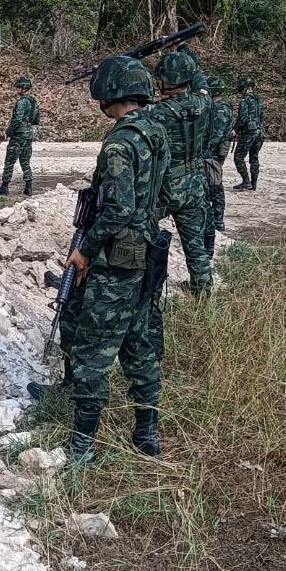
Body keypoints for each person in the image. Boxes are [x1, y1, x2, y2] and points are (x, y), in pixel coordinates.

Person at [58, 56, 171, 462]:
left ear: (110, 93)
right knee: (139, 341)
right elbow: (161, 196)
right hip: (148, 255)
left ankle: (83, 444)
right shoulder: (156, 133)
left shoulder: (121, 142)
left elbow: (118, 208)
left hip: (116, 260)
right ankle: (147, 432)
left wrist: (85, 249)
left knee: (94, 348)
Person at [147, 50, 213, 295]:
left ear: (165, 80)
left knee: (142, 234)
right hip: (195, 184)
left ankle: (147, 286)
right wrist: (191, 61)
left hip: (165, 187)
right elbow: (202, 85)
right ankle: (202, 288)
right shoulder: (203, 103)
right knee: (195, 244)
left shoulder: (157, 113)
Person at [203, 77, 234, 256]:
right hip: (211, 152)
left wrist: (203, 147)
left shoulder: (221, 110)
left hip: (213, 153)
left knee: (215, 185)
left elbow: (216, 134)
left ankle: (218, 219)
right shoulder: (217, 107)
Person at [0, 75, 40, 196]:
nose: (16, 90)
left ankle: (4, 187)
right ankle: (28, 187)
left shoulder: (22, 102)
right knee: (25, 161)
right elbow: (36, 120)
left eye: (18, 87)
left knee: (9, 161)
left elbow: (17, 119)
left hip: (18, 135)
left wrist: (8, 132)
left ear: (23, 88)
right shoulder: (33, 101)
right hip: (29, 134)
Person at [232, 77, 264, 190]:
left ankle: (246, 182)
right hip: (259, 132)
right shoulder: (258, 99)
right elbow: (261, 116)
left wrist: (235, 129)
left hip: (249, 133)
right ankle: (253, 184)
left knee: (238, 157)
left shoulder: (245, 100)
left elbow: (242, 118)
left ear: (245, 87)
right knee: (254, 158)